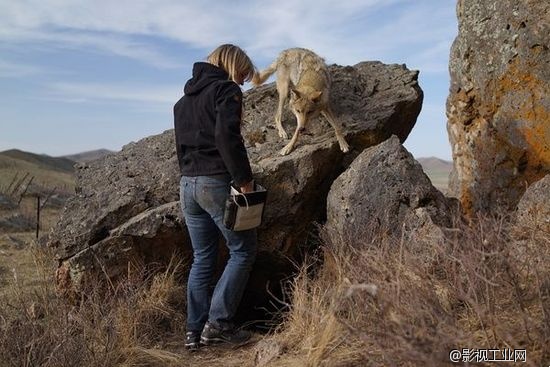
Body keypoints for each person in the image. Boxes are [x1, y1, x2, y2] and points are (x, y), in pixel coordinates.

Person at [173, 44, 258, 349]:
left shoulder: (182, 102)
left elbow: (181, 147)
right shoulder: (225, 91)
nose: (244, 81)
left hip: (187, 187)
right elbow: (227, 137)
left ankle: (193, 333)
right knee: (243, 250)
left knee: (203, 257)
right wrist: (244, 179)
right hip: (215, 183)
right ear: (232, 64)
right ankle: (219, 325)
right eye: (243, 73)